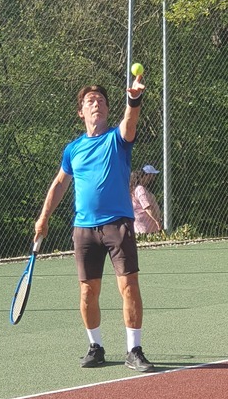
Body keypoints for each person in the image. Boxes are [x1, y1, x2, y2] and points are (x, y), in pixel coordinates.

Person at [34, 74, 156, 373]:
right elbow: (59, 184)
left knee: (129, 286)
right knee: (88, 291)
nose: (97, 104)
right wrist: (44, 217)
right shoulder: (73, 149)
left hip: (118, 225)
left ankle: (134, 350)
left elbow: (130, 122)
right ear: (81, 112)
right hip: (84, 229)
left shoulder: (117, 139)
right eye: (90, 101)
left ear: (107, 109)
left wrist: (134, 100)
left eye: (101, 100)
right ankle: (95, 347)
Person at [131, 164, 162, 235]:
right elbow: (147, 207)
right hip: (146, 229)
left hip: (147, 228)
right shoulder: (140, 189)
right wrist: (158, 221)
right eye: (152, 175)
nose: (153, 178)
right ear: (146, 175)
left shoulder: (138, 188)